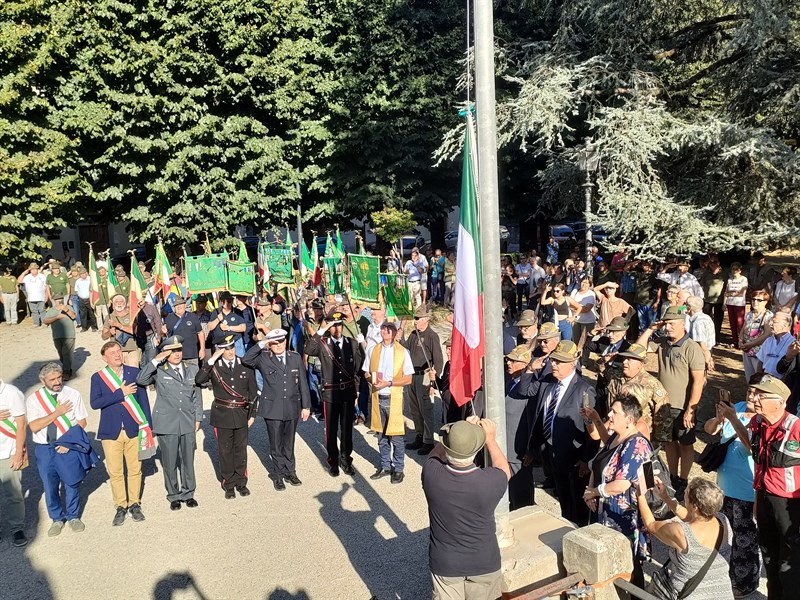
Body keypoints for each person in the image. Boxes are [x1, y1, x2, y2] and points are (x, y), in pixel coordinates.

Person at [722, 375, 800, 599]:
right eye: (755, 393)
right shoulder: (758, 423)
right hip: (765, 497)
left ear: (780, 402)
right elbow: (754, 452)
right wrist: (758, 498)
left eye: (761, 395)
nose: (754, 399)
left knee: (790, 561)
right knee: (769, 556)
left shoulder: (795, 427)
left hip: (790, 504)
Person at [422, 418, 510, 600]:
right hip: (484, 561)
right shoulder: (489, 482)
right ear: (476, 450)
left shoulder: (430, 473)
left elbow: (434, 454)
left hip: (445, 563)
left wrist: (457, 433)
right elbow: (504, 469)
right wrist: (491, 440)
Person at [582, 395, 653, 586]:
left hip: (623, 518)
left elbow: (621, 484)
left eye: (614, 412)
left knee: (627, 566)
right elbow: (601, 461)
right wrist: (590, 490)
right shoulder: (616, 437)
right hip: (604, 512)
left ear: (629, 419)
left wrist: (594, 492)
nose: (610, 414)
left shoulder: (637, 445)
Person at [637, 306, 705, 501]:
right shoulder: (662, 343)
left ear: (683, 324)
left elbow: (698, 381)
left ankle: (683, 479)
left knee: (686, 444)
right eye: (666, 324)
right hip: (663, 405)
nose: (668, 327)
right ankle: (673, 476)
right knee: (670, 443)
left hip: (683, 406)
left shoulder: (691, 348)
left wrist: (691, 408)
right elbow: (638, 349)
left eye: (672, 324)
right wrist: (651, 329)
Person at [528, 340, 598, 525]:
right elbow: (541, 417)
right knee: (564, 500)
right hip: (553, 454)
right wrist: (534, 448)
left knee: (578, 505)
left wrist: (586, 459)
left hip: (575, 460)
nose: (554, 364)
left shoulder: (584, 390)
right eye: (553, 360)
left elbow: (592, 431)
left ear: (572, 364)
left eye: (559, 361)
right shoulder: (549, 384)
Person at [703, 383, 759, 597]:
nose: (751, 396)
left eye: (757, 394)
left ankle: (745, 583)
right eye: (750, 391)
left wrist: (734, 419)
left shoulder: (762, 419)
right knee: (725, 535)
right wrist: (719, 419)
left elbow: (751, 446)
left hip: (747, 491)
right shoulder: (738, 407)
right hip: (724, 488)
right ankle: (725, 575)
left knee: (745, 540)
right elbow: (709, 430)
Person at [90, 340, 153, 526]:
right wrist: (120, 393)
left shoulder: (134, 372)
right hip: (111, 431)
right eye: (113, 353)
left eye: (119, 351)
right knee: (116, 472)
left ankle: (134, 503)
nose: (117, 355)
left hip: (134, 429)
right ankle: (120, 506)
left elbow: (143, 401)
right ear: (105, 358)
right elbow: (95, 403)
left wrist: (148, 427)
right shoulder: (98, 377)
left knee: (135, 469)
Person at [639, 478, 734, 598]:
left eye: (687, 492)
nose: (684, 491)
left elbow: (651, 525)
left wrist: (640, 496)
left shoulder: (681, 532)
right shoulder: (722, 520)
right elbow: (692, 517)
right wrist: (666, 498)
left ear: (695, 506)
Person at [136, 335, 202, 510]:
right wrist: (155, 360)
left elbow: (197, 395)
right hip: (167, 421)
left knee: (188, 460)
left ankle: (188, 493)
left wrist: (198, 417)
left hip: (187, 419)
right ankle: (173, 495)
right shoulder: (159, 369)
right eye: (172, 351)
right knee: (170, 461)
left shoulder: (192, 369)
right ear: (165, 353)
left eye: (179, 350)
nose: (177, 354)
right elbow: (140, 379)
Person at [25, 362, 90, 536]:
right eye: (52, 379)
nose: (57, 382)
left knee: (71, 482)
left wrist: (68, 443)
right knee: (50, 485)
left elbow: (82, 421)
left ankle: (73, 516)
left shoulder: (73, 394)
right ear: (43, 381)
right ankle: (57, 518)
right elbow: (34, 426)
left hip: (68, 446)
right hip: (45, 448)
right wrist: (57, 413)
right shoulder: (34, 399)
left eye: (59, 377)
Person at [242, 328, 311, 491]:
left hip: (292, 406)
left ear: (286, 341)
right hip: (272, 407)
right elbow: (246, 359)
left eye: (281, 341)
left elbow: (303, 382)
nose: (279, 345)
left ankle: (291, 472)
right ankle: (278, 474)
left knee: (289, 443)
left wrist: (306, 406)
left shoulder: (294, 357)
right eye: (275, 342)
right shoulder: (263, 358)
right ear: (270, 344)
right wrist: (262, 343)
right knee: (276, 443)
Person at [195, 335, 258, 498]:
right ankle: (228, 482)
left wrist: (253, 414)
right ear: (220, 350)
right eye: (226, 349)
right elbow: (199, 379)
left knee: (240, 450)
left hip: (241, 414)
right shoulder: (214, 366)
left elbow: (253, 392)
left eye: (232, 347)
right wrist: (211, 360)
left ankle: (241, 481)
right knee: (225, 450)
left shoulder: (245, 365)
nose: (230, 352)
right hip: (222, 415)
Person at [304, 309, 364, 476]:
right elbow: (309, 349)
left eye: (339, 325)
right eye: (333, 325)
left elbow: (357, 369)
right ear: (328, 326)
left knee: (347, 429)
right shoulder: (323, 343)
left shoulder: (352, 343)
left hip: (348, 392)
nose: (337, 328)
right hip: (331, 394)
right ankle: (333, 460)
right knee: (331, 430)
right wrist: (321, 330)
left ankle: (346, 460)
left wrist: (357, 391)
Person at [364, 321, 415, 483]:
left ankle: (399, 468)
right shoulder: (373, 350)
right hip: (378, 397)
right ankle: (385, 465)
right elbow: (366, 372)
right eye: (383, 329)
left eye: (389, 329)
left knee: (396, 436)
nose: (385, 331)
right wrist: (372, 380)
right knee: (381, 435)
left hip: (394, 398)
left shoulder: (402, 352)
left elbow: (408, 378)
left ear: (394, 332)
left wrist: (389, 383)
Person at [605, 344, 672, 442]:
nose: (624, 362)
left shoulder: (652, 384)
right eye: (624, 358)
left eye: (629, 359)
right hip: (615, 432)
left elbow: (663, 414)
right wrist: (604, 360)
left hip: (638, 436)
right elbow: (599, 369)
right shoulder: (616, 374)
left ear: (641, 363)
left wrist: (658, 440)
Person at [403, 304, 444, 455]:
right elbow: (404, 348)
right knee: (414, 408)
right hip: (412, 375)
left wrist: (433, 382)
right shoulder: (414, 334)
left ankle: (428, 440)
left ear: (425, 319)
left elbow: (438, 360)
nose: (415, 321)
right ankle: (419, 435)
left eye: (418, 318)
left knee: (426, 409)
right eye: (415, 318)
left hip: (425, 376)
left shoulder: (432, 336)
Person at [504, 345, 537, 510]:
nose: (508, 363)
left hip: (519, 453)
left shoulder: (529, 389)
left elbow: (534, 422)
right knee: (510, 494)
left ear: (525, 365)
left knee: (522, 499)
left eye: (513, 361)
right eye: (508, 360)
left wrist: (531, 449)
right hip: (506, 447)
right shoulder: (511, 381)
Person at [0, 378, 28, 546]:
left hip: (8, 451)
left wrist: (18, 454)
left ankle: (17, 528)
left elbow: (21, 425)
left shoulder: (12, 393)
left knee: (14, 493)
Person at [740, 290, 774, 381]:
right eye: (753, 299)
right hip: (746, 349)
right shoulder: (749, 314)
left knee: (758, 377)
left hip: (759, 352)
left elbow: (767, 334)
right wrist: (740, 341)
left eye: (759, 300)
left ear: (766, 302)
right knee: (749, 377)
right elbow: (743, 329)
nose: (755, 302)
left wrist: (751, 344)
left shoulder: (768, 315)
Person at [162, 297, 205, 366]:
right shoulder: (169, 318)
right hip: (175, 356)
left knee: (193, 373)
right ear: (174, 307)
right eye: (176, 305)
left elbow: (200, 333)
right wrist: (163, 332)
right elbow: (165, 336)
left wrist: (202, 349)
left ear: (185, 305)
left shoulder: (193, 316)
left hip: (191, 355)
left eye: (180, 304)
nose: (178, 307)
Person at [43, 297, 77, 380]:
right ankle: (68, 369)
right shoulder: (51, 311)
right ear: (54, 301)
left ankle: (66, 372)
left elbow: (73, 316)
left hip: (69, 335)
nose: (59, 300)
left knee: (66, 354)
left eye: (60, 298)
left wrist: (66, 309)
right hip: (57, 336)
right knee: (61, 355)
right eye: (57, 299)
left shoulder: (68, 307)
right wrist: (57, 317)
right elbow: (45, 321)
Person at [756, 310, 795, 377]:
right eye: (771, 321)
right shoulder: (768, 340)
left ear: (785, 325)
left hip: (781, 380)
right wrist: (758, 377)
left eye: (774, 322)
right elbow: (760, 361)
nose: (770, 324)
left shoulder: (792, 344)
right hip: (764, 378)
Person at [207, 291, 247, 357]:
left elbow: (243, 328)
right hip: (220, 343)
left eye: (228, 301)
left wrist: (228, 328)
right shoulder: (216, 311)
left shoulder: (237, 312)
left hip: (235, 342)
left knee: (239, 361)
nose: (226, 303)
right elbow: (209, 327)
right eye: (223, 301)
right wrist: (217, 319)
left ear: (232, 301)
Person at [686, 295, 716, 372]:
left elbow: (702, 345)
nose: (684, 307)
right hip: (708, 351)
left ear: (690, 308)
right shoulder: (706, 317)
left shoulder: (698, 323)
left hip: (700, 354)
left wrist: (708, 360)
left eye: (686, 305)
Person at [700, 258, 726, 338]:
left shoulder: (724, 273)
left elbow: (727, 287)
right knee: (707, 318)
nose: (712, 264)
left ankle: (716, 336)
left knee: (718, 320)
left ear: (718, 263)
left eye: (714, 262)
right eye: (710, 262)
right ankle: (708, 335)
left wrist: (725, 301)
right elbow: (702, 285)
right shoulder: (706, 273)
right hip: (707, 300)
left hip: (720, 300)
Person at [724, 262, 748, 348]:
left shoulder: (743, 279)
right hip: (730, 303)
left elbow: (742, 292)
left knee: (740, 323)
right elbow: (726, 292)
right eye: (733, 269)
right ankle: (735, 341)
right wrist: (724, 303)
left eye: (736, 269)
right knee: (732, 323)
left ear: (740, 270)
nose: (734, 271)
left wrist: (731, 293)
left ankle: (742, 341)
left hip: (739, 304)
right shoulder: (729, 280)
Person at [570, 276, 596, 353]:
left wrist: (576, 307)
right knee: (575, 342)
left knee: (585, 343)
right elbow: (569, 304)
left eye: (586, 283)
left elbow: (587, 309)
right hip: (576, 321)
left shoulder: (591, 294)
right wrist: (580, 307)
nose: (583, 284)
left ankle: (583, 359)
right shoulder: (575, 292)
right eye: (582, 282)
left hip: (588, 322)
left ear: (589, 285)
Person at [73, 266, 97, 332]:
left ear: (86, 273)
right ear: (79, 275)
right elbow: (76, 290)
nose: (83, 275)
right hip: (81, 299)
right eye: (81, 274)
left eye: (84, 273)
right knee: (82, 314)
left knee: (91, 313)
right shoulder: (78, 281)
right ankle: (84, 327)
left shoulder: (90, 280)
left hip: (90, 299)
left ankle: (94, 327)